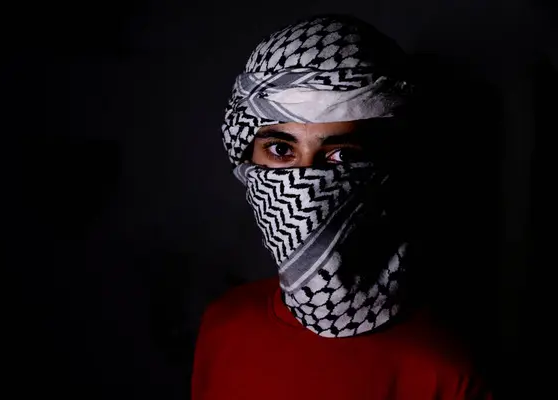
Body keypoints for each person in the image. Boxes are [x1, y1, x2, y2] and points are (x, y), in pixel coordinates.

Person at [192, 14, 493, 400]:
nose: (304, 184)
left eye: (341, 155)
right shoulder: (223, 325)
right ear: (248, 158)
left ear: (389, 167)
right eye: (282, 149)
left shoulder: (446, 369)